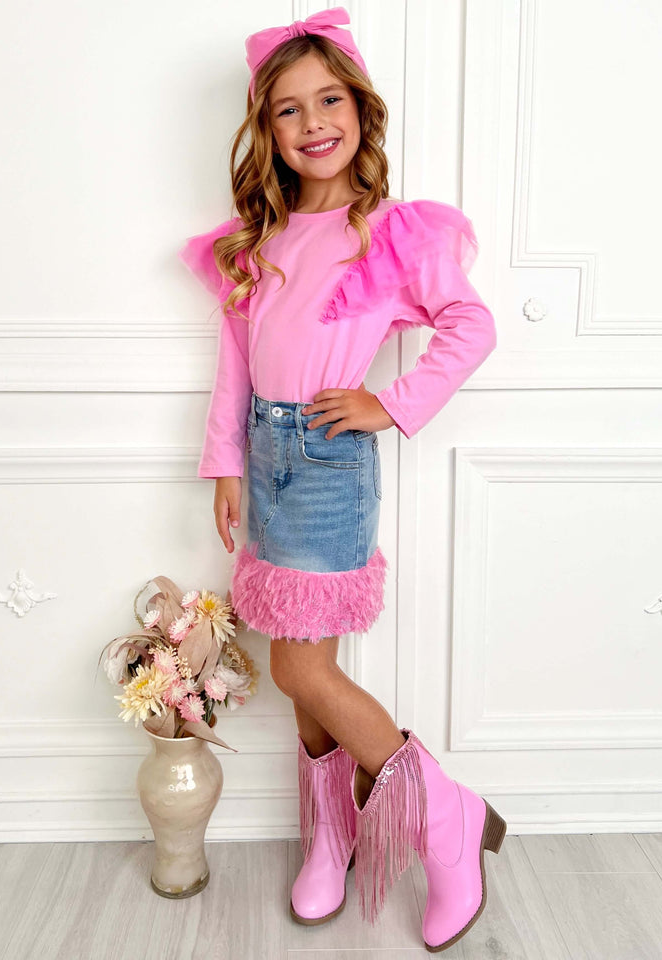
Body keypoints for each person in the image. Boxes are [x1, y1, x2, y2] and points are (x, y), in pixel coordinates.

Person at [178, 7, 506, 953]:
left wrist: (389, 403)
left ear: (361, 109)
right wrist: (227, 463)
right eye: (289, 109)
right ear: (266, 129)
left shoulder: (391, 232)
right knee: (298, 662)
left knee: (301, 666)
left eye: (329, 100)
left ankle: (444, 814)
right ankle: (332, 835)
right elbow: (236, 364)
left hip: (327, 464)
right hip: (267, 463)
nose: (313, 121)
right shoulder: (260, 239)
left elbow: (471, 325)